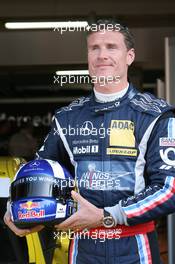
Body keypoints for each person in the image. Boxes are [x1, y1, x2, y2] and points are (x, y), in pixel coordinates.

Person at [4, 18, 175, 264]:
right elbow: (38, 173)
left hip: (135, 249)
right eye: (94, 48)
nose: (102, 54)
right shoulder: (67, 118)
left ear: (130, 56)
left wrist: (108, 216)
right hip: (82, 249)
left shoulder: (156, 115)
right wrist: (19, 209)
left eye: (111, 47)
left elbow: (169, 188)